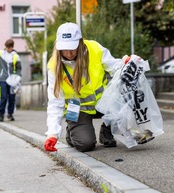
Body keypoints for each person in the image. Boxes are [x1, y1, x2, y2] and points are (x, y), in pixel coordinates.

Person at [44, 22, 126, 153]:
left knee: (126, 103)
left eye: (72, 47)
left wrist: (126, 63)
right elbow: (55, 103)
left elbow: (115, 67)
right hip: (78, 110)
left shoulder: (95, 49)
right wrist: (52, 134)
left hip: (103, 103)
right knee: (85, 144)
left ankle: (106, 131)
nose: (68, 53)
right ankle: (72, 131)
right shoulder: (54, 67)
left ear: (80, 43)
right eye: (64, 48)